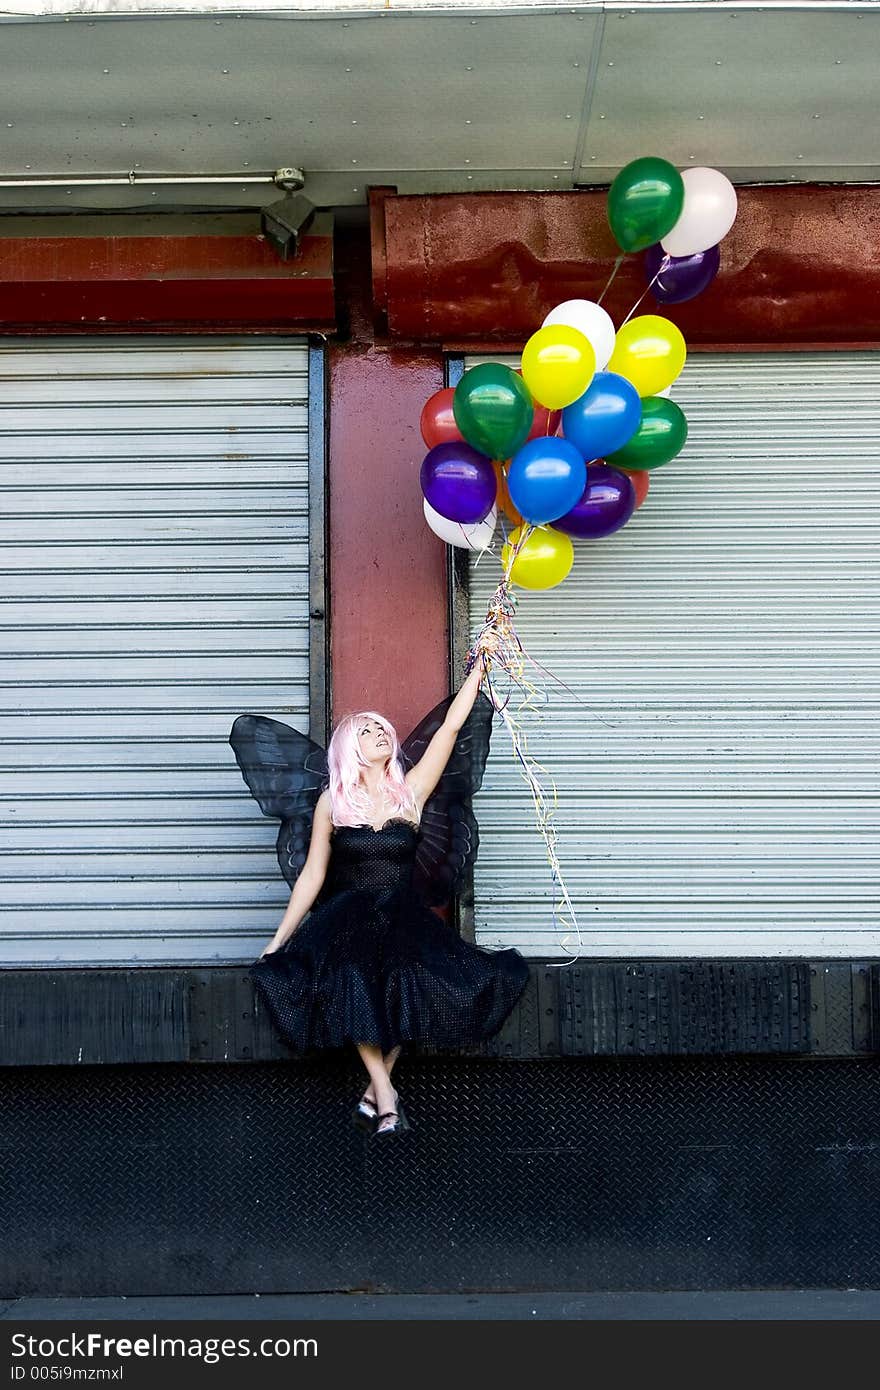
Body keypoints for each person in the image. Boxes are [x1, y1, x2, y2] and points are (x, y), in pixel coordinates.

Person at [229, 633, 529, 1139]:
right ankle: (385, 1096)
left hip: (402, 914)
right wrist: (278, 941)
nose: (380, 733)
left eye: (383, 728)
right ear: (352, 747)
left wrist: (480, 667)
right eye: (367, 730)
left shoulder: (410, 794)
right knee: (349, 979)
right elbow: (313, 876)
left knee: (418, 982)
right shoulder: (333, 803)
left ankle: (377, 1091)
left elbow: (451, 728)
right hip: (347, 916)